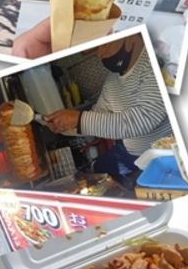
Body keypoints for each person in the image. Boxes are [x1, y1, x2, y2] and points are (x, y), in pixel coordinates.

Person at [43, 34, 173, 187]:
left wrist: (77, 120)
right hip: (131, 150)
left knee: (142, 185)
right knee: (99, 170)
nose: (99, 54)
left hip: (163, 150)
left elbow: (143, 119)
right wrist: (64, 126)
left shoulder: (154, 64)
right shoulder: (113, 79)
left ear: (130, 37)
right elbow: (98, 114)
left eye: (104, 45)